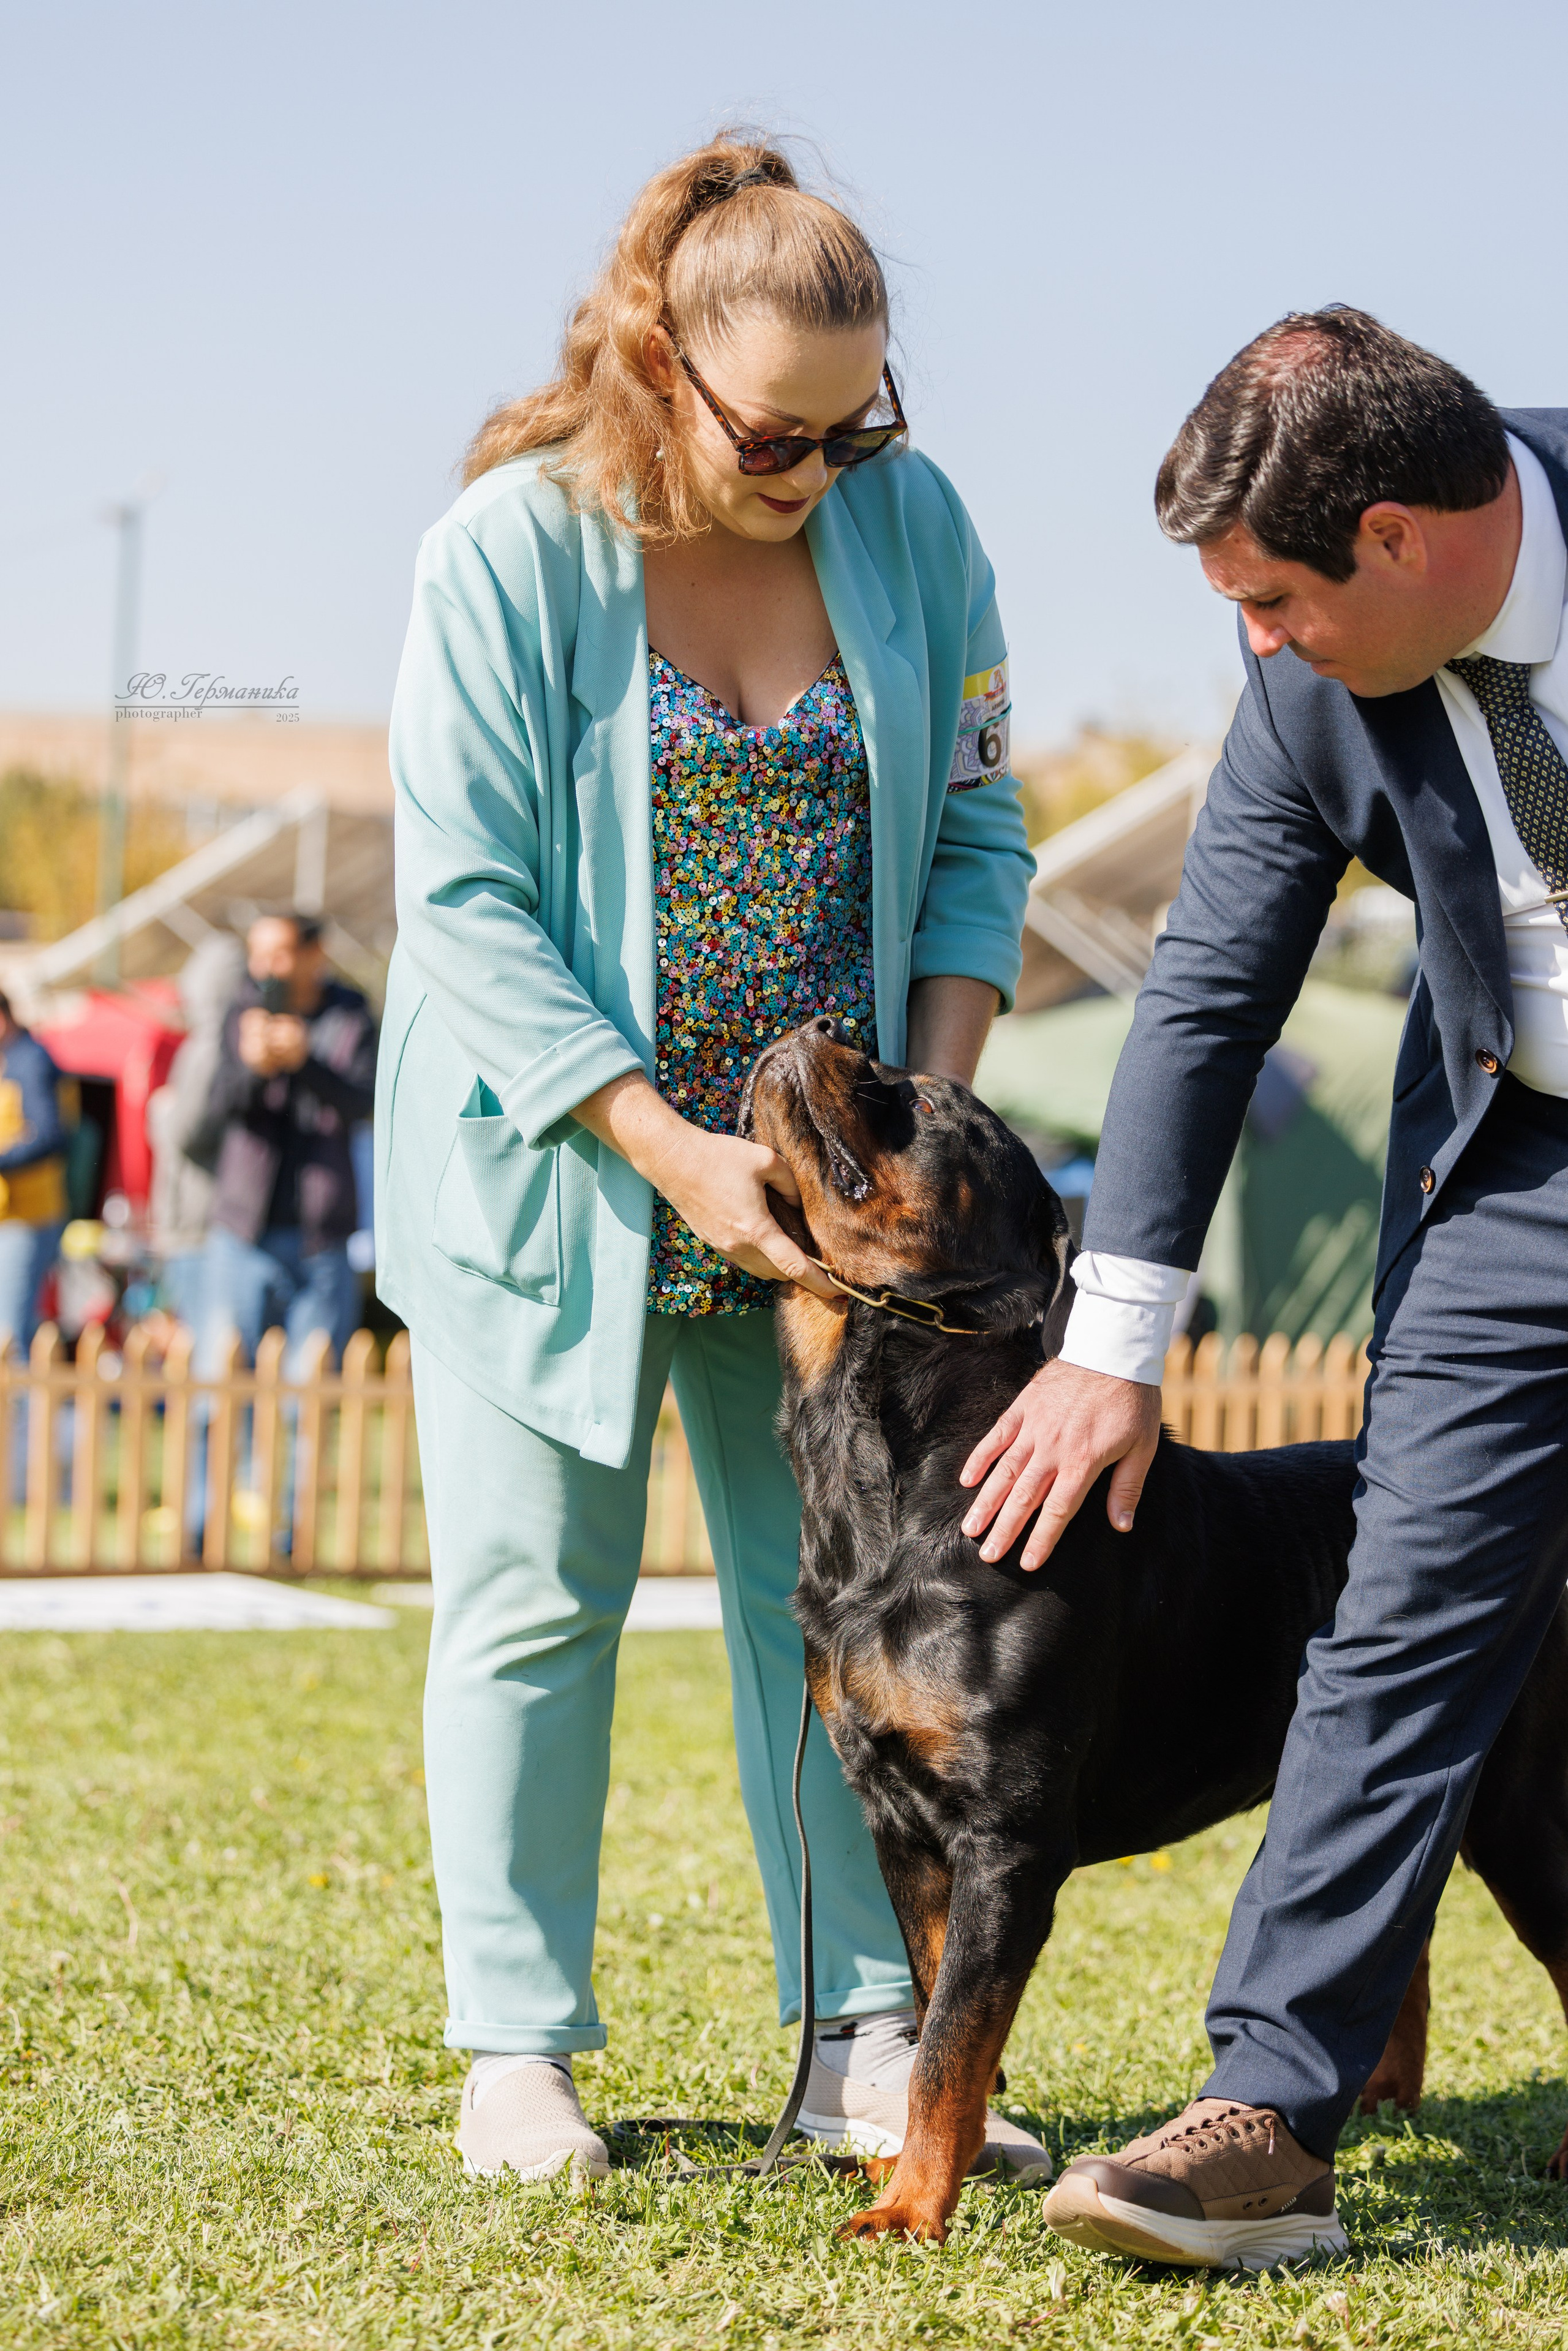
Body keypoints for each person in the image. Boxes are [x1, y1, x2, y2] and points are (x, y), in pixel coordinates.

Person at [376, 132, 1042, 2187]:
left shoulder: (913, 525)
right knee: (529, 1601)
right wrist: (664, 1145)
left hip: (826, 1214)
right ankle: (518, 2047)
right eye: (783, 436)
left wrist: (911, 1148)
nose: (822, 472)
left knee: (833, 1610)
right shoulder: (506, 545)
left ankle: (860, 2028)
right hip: (560, 1165)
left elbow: (982, 835)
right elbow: (466, 899)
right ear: (661, 359)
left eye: (858, 432)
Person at [960, 307, 1568, 2269]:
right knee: (1401, 1605)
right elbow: (1207, 990)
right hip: (1515, 1164)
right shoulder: (1313, 683)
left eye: (1274, 597)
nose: (1254, 644)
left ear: (1398, 536)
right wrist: (1110, 1344)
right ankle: (1266, 2107)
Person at [189, 912, 377, 1373]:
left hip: (322, 1234)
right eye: (257, 955)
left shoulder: (351, 1016)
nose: (265, 968)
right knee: (226, 1389)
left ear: (314, 954)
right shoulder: (241, 1012)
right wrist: (255, 1069)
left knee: (308, 1400)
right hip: (243, 1230)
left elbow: (363, 1105)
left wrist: (305, 1062)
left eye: (279, 954)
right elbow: (215, 1112)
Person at [146, 929, 247, 1329]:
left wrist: (162, 1112)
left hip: (197, 1220)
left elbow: (189, 1133)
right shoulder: (227, 1043)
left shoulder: (210, 1048)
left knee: (206, 1353)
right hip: (202, 1216)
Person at [0, 989, 70, 1351]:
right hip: (9, 1215)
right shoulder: (11, 1059)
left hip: (27, 1217)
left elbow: (48, 1135)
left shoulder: (30, 1061)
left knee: (11, 1330)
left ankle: (21, 1408)